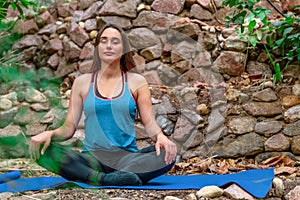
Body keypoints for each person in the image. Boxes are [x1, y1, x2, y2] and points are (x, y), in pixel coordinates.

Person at [29, 23, 177, 186]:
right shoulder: (82, 82)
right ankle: (108, 178)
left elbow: (149, 124)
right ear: (97, 48)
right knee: (44, 151)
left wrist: (161, 137)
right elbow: (68, 129)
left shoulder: (137, 82)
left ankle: (103, 177)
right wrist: (49, 134)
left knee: (167, 153)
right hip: (91, 160)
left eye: (115, 42)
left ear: (124, 48)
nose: (108, 46)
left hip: (126, 159)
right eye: (104, 41)